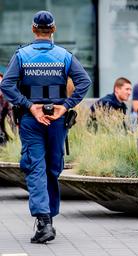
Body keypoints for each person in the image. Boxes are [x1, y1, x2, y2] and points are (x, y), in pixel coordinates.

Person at [0, 10, 91, 243]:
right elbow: (84, 81)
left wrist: (30, 106)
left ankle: (44, 221)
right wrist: (65, 106)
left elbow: (8, 85)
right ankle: (47, 219)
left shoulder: (22, 56)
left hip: (32, 120)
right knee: (51, 168)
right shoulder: (64, 56)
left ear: (33, 29)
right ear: (53, 29)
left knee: (36, 167)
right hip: (57, 120)